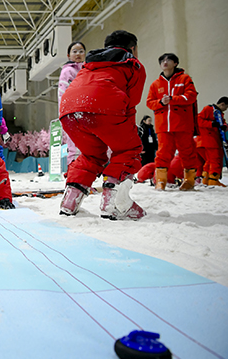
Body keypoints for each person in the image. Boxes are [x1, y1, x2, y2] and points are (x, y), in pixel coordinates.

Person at [58, 30, 146, 220]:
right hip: (103, 107)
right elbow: (131, 103)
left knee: (91, 155)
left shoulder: (89, 65)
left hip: (68, 112)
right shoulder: (132, 65)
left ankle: (70, 201)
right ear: (132, 48)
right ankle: (115, 204)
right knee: (129, 150)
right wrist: (130, 136)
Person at [146, 53, 199, 191]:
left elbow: (191, 96)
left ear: (175, 63)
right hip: (163, 125)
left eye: (168, 60)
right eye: (162, 60)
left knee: (187, 152)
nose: (165, 62)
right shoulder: (155, 84)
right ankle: (160, 181)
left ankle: (189, 181)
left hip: (183, 124)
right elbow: (149, 103)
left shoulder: (185, 79)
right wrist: (161, 102)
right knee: (162, 154)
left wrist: (173, 99)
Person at [58, 41, 86, 167]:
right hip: (72, 113)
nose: (78, 54)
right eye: (74, 51)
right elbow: (62, 93)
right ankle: (73, 171)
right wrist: (64, 113)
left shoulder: (87, 69)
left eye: (81, 51)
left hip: (86, 113)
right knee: (74, 145)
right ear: (68, 55)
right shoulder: (67, 71)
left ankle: (84, 172)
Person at [197, 96, 228, 186]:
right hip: (209, 139)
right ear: (222, 104)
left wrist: (225, 126)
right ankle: (213, 180)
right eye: (226, 107)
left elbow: (223, 122)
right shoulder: (209, 109)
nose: (226, 109)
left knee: (209, 161)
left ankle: (206, 179)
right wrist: (211, 124)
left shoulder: (219, 113)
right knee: (215, 160)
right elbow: (198, 120)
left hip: (212, 140)